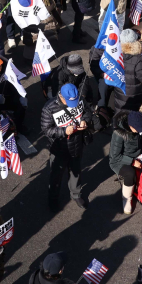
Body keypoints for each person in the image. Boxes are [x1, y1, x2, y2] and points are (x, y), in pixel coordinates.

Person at [40, 83, 91, 211]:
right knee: (56, 176)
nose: (72, 104)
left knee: (76, 172)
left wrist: (85, 120)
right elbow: (46, 130)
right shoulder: (49, 108)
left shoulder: (79, 99)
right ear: (61, 97)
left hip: (77, 144)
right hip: (59, 148)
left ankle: (76, 194)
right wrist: (63, 131)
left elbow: (87, 111)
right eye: (69, 101)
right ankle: (53, 200)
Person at [110, 109, 142, 214]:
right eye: (137, 129)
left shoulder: (139, 128)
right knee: (130, 173)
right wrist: (132, 162)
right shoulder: (118, 133)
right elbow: (115, 156)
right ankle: (127, 199)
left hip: (138, 155)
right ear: (131, 126)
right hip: (120, 161)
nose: (140, 132)